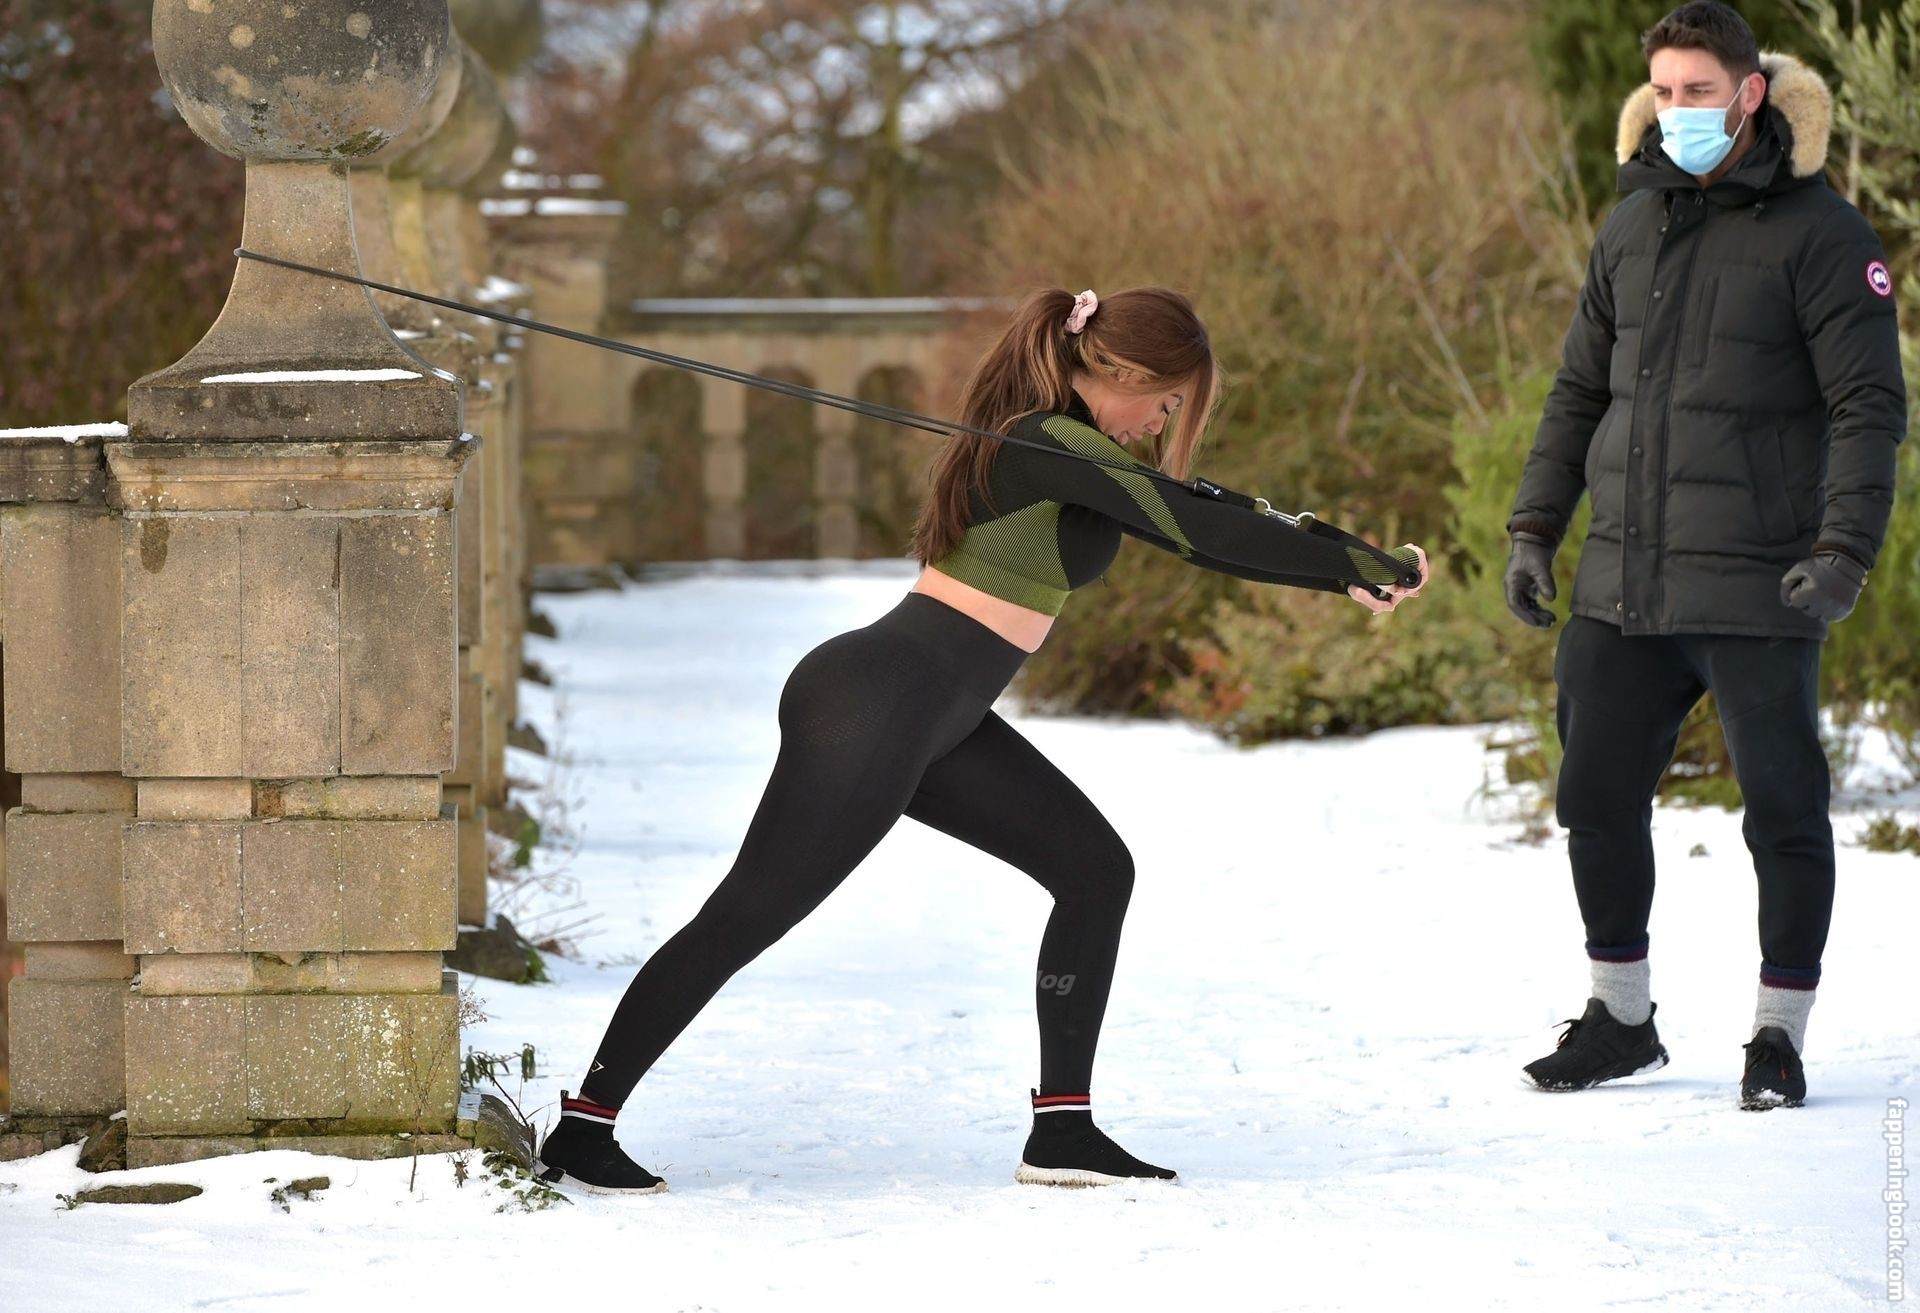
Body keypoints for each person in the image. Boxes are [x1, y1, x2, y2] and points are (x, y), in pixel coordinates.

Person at [534, 285, 1431, 1194]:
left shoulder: (1068, 450)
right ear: (1120, 371)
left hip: (937, 712)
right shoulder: (1048, 441)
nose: (1162, 423)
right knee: (748, 913)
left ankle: (1063, 1131)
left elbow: (1202, 509)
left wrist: (1351, 562)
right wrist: (1349, 566)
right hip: (878, 700)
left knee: (1094, 871)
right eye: (1165, 402)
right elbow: (1192, 528)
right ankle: (583, 1127)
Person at [1504, 3, 1905, 1110]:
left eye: (1700, 91)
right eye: (1665, 91)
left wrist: (1844, 550)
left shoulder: (1824, 233)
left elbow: (1868, 406)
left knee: (1782, 810)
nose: (1678, 109)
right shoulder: (1631, 225)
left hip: (1760, 577)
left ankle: (1778, 1033)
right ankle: (1620, 1016)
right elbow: (1579, 391)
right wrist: (1535, 528)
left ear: (1749, 93)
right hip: (1623, 578)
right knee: (1593, 798)